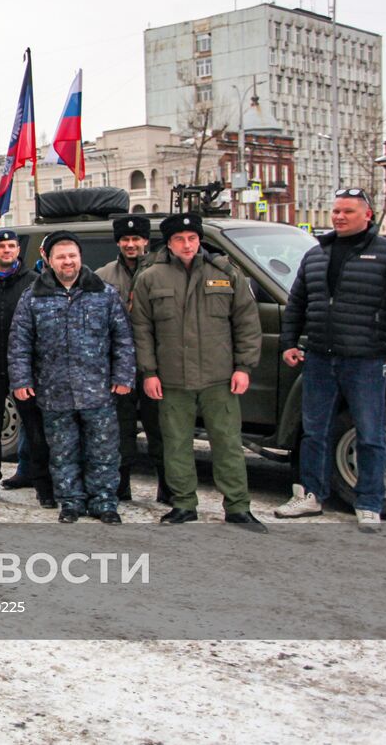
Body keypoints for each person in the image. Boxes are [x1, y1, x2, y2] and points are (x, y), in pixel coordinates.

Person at [274, 189, 386, 532]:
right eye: (336, 211)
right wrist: (289, 342)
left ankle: (370, 503)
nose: (339, 217)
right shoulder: (316, 254)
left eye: (348, 211)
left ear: (367, 215)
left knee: (370, 433)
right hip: (319, 358)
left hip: (366, 360)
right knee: (314, 432)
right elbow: (297, 303)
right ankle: (311, 495)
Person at [130, 213, 265, 531]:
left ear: (199, 240)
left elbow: (246, 322)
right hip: (172, 379)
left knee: (228, 443)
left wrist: (243, 367)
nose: (187, 244)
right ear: (170, 243)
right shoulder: (151, 276)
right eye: (179, 239)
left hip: (219, 378)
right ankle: (183, 504)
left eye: (192, 238)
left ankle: (237, 506)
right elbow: (142, 329)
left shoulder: (224, 271)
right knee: (176, 444)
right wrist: (148, 372)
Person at [10, 232, 134, 524]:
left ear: (80, 258)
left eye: (72, 256)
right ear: (49, 261)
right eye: (61, 257)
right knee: (63, 451)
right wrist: (21, 380)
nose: (68, 261)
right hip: (54, 391)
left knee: (102, 450)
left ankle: (104, 501)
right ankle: (71, 501)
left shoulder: (103, 293)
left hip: (98, 390)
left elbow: (124, 340)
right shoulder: (34, 296)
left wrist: (124, 375)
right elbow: (19, 343)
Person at [0, 229, 50, 506]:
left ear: (19, 250)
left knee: (35, 430)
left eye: (12, 246)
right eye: (2, 246)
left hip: (25, 369)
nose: (7, 250)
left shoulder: (35, 282)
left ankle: (43, 487)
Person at [96, 214, 168, 503]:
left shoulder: (162, 272)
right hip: (116, 366)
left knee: (159, 428)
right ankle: (121, 485)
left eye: (136, 239)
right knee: (121, 429)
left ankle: (167, 487)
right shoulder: (103, 276)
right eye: (125, 239)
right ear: (118, 242)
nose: (130, 244)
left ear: (146, 241)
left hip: (155, 364)